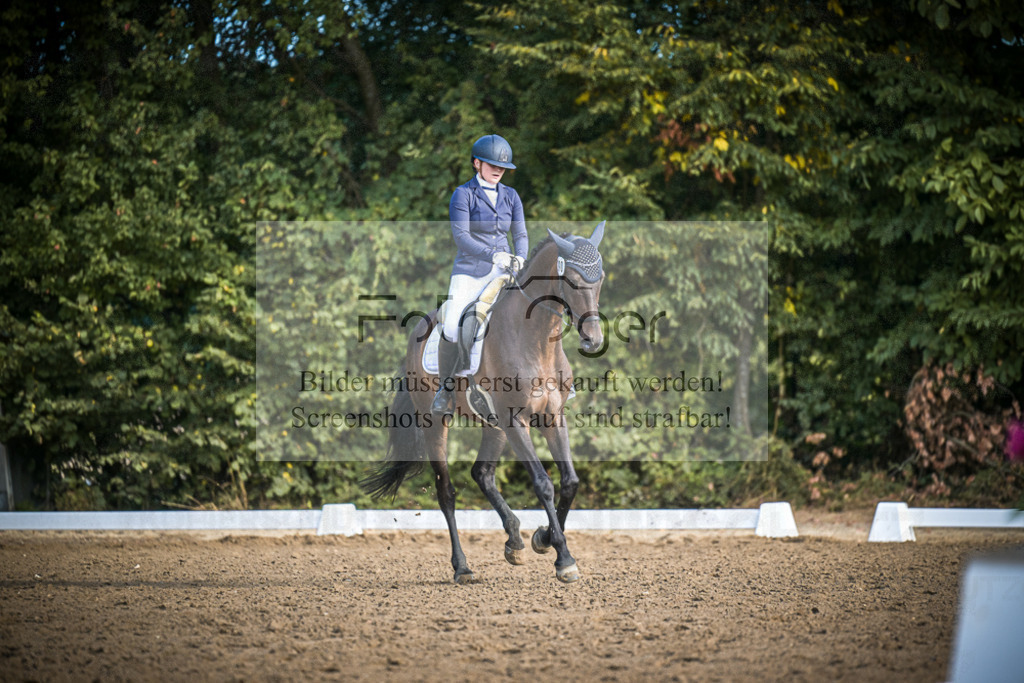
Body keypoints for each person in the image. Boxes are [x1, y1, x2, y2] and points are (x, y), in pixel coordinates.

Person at [431, 134, 528, 416]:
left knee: (534, 311)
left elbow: (520, 233)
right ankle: (445, 389)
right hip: (471, 272)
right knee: (451, 326)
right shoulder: (463, 195)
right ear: (477, 163)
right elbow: (461, 236)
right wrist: (492, 255)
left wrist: (520, 257)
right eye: (491, 165)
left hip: (506, 271)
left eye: (502, 167)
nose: (498, 170)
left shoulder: (511, 196)